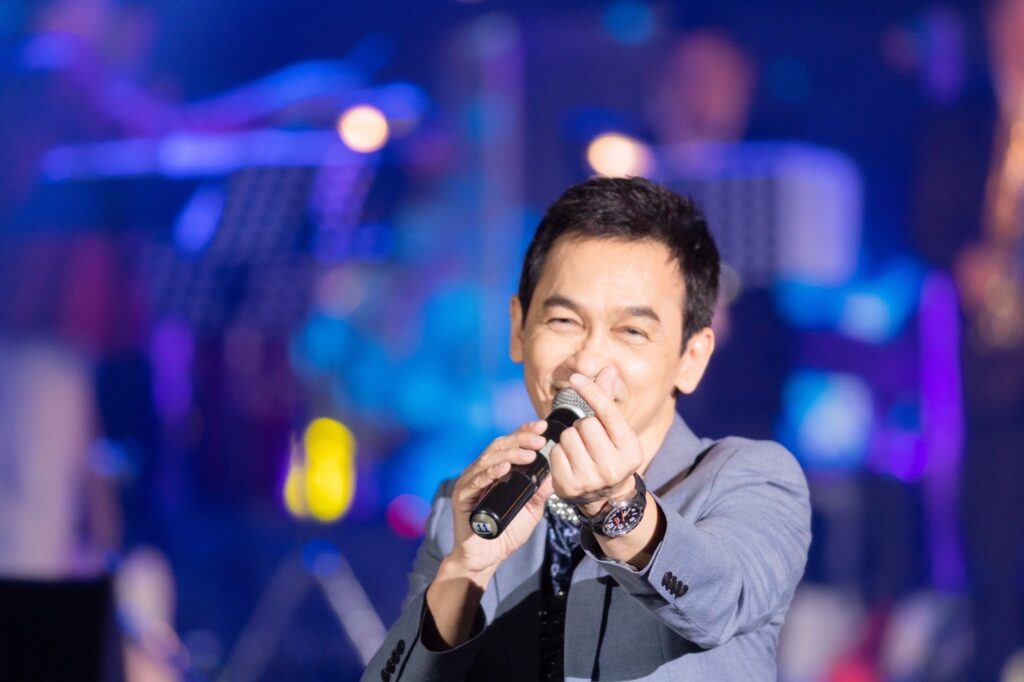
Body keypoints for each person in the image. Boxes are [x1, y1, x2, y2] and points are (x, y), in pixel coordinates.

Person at [363, 177, 811, 681]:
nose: (588, 361)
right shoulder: (471, 506)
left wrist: (617, 507)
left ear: (691, 357)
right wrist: (464, 571)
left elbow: (721, 602)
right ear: (519, 328)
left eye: (632, 331)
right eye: (563, 321)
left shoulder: (750, 478)